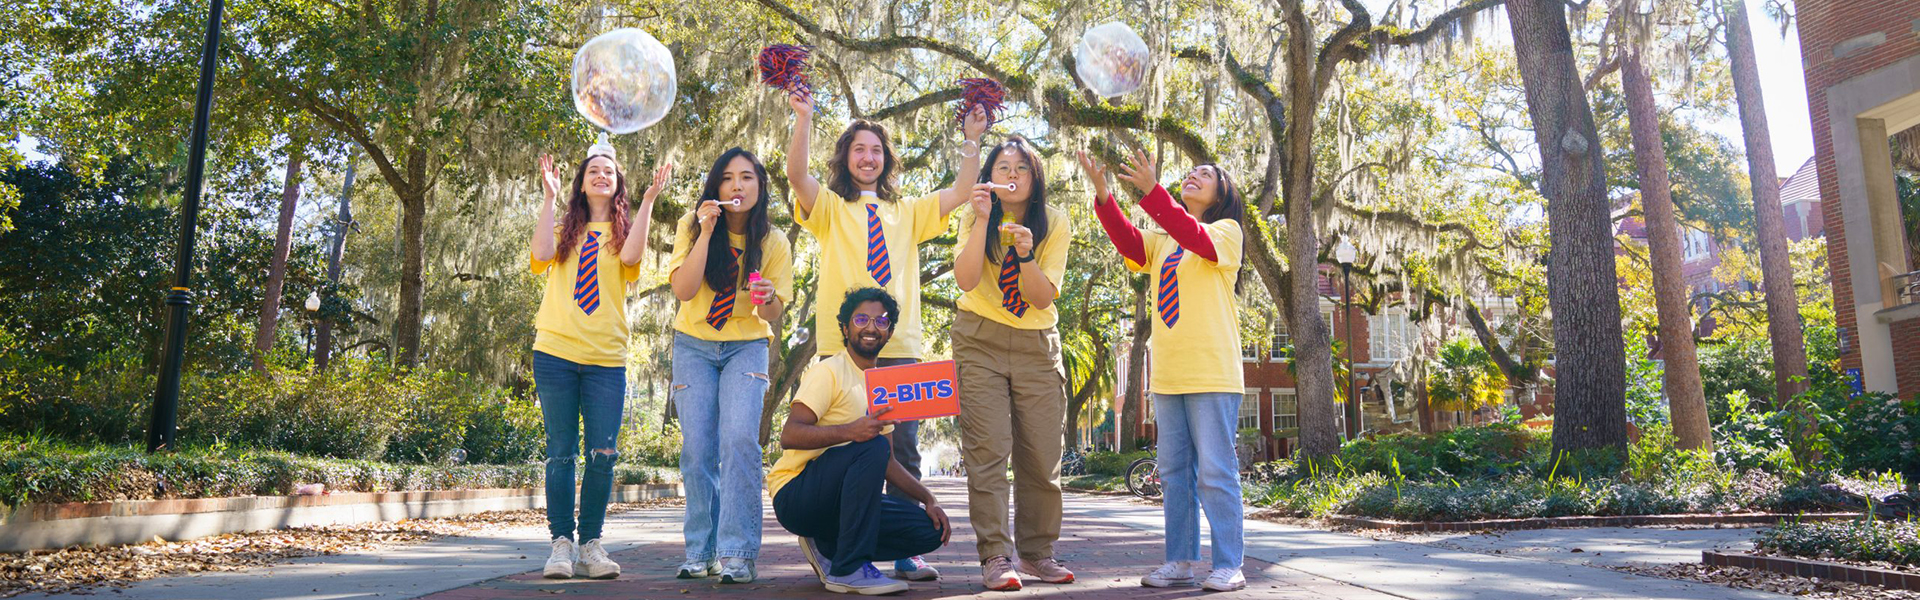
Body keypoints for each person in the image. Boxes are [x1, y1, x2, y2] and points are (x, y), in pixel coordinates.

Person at [782, 93, 987, 580]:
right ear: (846, 158)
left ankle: (900, 551)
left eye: (876, 149)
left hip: (898, 349)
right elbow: (796, 176)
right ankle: (829, 540)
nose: (868, 157)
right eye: (858, 149)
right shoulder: (830, 208)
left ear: (886, 159)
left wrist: (972, 142)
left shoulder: (908, 212)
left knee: (902, 447)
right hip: (844, 351)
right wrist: (803, 118)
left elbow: (961, 191)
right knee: (844, 448)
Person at [1080, 148, 1249, 592]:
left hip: (1212, 372)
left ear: (1222, 192)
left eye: (1205, 174)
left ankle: (1230, 562)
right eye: (1190, 172)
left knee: (1216, 472)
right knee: (1174, 475)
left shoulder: (1226, 231)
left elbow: (1190, 233)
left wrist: (1153, 191)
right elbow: (1129, 243)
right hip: (1169, 376)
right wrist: (1104, 196)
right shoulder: (1164, 239)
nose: (1193, 175)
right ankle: (1179, 561)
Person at [529, 141, 664, 579]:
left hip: (606, 358)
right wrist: (549, 198)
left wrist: (645, 203)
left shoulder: (623, 233)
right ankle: (561, 546)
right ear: (582, 183)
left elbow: (632, 257)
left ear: (618, 182)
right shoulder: (567, 227)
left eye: (609, 170)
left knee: (603, 454)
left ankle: (590, 544)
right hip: (555, 353)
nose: (602, 175)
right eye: (594, 171)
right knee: (561, 453)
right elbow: (543, 254)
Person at [766, 288, 952, 595]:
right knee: (871, 444)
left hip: (841, 503)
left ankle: (826, 542)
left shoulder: (884, 387)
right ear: (845, 327)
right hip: (796, 494)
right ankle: (849, 568)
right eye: (861, 319)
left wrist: (929, 498)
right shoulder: (829, 371)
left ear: (890, 332)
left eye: (881, 321)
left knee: (928, 531)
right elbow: (790, 435)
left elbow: (888, 462)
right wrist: (851, 431)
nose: (870, 327)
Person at [949, 137, 1075, 590]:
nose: (1012, 175)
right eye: (1002, 166)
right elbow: (965, 280)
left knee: (1041, 457)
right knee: (988, 453)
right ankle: (995, 557)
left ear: (1035, 177)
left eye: (1021, 167)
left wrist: (1025, 253)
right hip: (978, 340)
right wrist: (983, 220)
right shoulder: (974, 213)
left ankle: (1039, 552)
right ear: (990, 175)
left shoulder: (1055, 222)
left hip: (1037, 344)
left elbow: (1041, 296)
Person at [666, 148, 794, 583]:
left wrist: (769, 297)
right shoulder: (691, 224)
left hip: (746, 346)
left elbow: (775, 314)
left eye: (747, 178)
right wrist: (704, 233)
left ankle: (737, 552)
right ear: (715, 187)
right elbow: (684, 290)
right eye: (727, 178)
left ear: (760, 186)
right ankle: (700, 552)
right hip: (694, 346)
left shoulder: (773, 241)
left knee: (739, 441)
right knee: (698, 449)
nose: (737, 186)